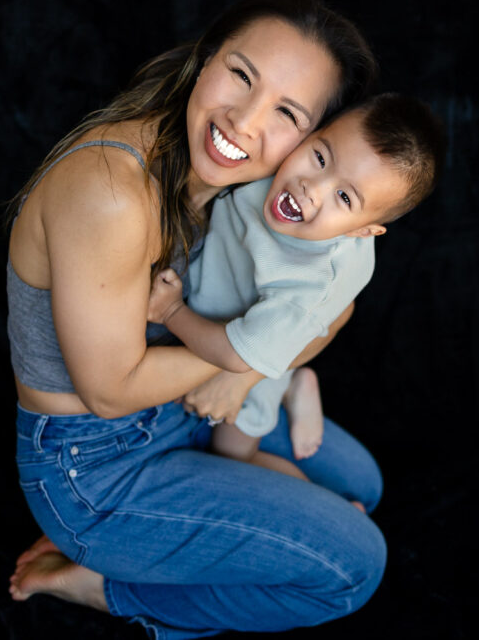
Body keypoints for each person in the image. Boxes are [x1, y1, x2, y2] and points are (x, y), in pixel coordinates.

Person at [6, 0, 387, 638]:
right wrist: (239, 356)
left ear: (310, 139)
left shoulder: (269, 191)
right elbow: (108, 388)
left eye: (287, 112)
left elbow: (335, 313)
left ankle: (180, 541)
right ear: (204, 59)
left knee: (363, 483)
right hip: (97, 465)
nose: (244, 122)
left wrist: (238, 370)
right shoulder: (114, 190)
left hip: (178, 410)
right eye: (241, 74)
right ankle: (110, 582)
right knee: (355, 564)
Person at [147, 93, 443, 468]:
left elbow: (235, 356)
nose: (311, 187)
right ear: (312, 133)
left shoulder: (310, 284)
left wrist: (170, 311)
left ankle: (329, 505)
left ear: (364, 231)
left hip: (258, 340)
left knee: (232, 453)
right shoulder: (275, 165)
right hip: (233, 299)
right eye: (320, 157)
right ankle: (297, 382)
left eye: (343, 198)